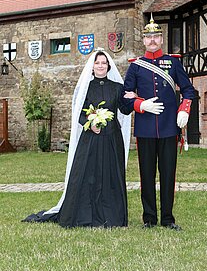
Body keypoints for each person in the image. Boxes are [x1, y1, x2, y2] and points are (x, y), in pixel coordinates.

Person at [23, 49, 131, 228]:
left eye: (104, 63)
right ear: (92, 66)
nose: (101, 66)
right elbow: (79, 114)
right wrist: (90, 122)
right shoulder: (85, 88)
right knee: (87, 175)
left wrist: (133, 100)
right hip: (91, 139)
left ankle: (111, 216)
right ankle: (84, 215)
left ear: (108, 66)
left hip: (112, 139)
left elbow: (125, 110)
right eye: (97, 63)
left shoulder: (117, 87)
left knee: (111, 176)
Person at [122, 15, 195, 231]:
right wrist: (140, 105)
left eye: (156, 36)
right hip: (145, 129)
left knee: (168, 174)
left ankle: (168, 219)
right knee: (146, 175)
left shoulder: (173, 63)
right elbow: (125, 99)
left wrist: (184, 109)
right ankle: (149, 219)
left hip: (168, 128)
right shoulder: (136, 67)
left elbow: (188, 90)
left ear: (161, 39)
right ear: (143, 41)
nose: (152, 40)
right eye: (148, 37)